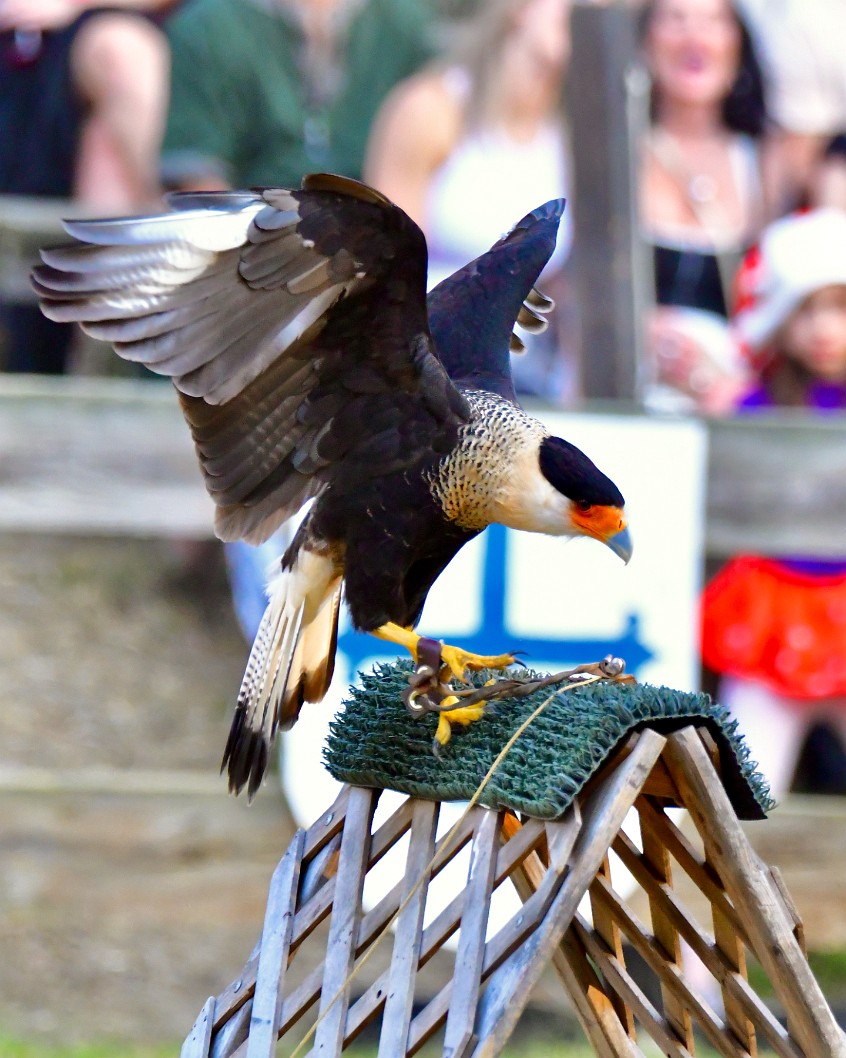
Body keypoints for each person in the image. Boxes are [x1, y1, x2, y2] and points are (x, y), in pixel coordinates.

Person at [701, 208, 846, 797]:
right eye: (805, 307)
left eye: (839, 305)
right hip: (767, 617)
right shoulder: (747, 408)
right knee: (740, 794)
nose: (823, 327)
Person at [364, 0, 575, 402]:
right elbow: (384, 268)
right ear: (522, 9)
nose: (592, 11)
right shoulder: (431, 108)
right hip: (421, 361)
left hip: (532, 374)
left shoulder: (577, 130)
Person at [0, 0, 172, 372]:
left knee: (121, 55)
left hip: (78, 45)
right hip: (23, 57)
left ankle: (98, 362)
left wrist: (75, 3)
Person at [637, 0, 768, 413]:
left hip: (729, 408)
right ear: (645, 43)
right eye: (675, 19)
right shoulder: (609, 154)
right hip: (627, 398)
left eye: (713, 21)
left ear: (738, 44)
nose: (694, 38)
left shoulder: (766, 164)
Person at [161, 0, 435, 192]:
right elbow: (197, 176)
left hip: (377, 235)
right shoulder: (208, 25)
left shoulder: (404, 21)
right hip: (254, 239)